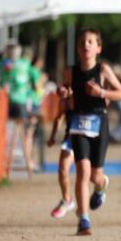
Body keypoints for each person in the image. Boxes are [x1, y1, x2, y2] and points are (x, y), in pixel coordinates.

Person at [57, 28, 121, 235]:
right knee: (82, 172)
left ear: (98, 48)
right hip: (78, 123)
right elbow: (67, 88)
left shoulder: (103, 69)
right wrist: (64, 91)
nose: (86, 45)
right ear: (78, 49)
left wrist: (101, 92)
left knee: (95, 175)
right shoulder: (71, 70)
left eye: (90, 42)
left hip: (99, 121)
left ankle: (102, 184)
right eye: (82, 43)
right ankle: (84, 218)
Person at [2, 44, 37, 177]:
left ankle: (24, 163)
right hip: (18, 102)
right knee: (23, 133)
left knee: (21, 133)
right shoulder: (20, 64)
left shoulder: (9, 64)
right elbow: (34, 78)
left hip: (12, 101)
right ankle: (25, 163)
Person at [47, 89, 76, 219]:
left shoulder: (90, 93)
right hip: (71, 138)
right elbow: (59, 118)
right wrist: (52, 136)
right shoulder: (65, 99)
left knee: (92, 176)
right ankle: (66, 200)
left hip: (90, 137)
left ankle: (100, 186)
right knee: (63, 169)